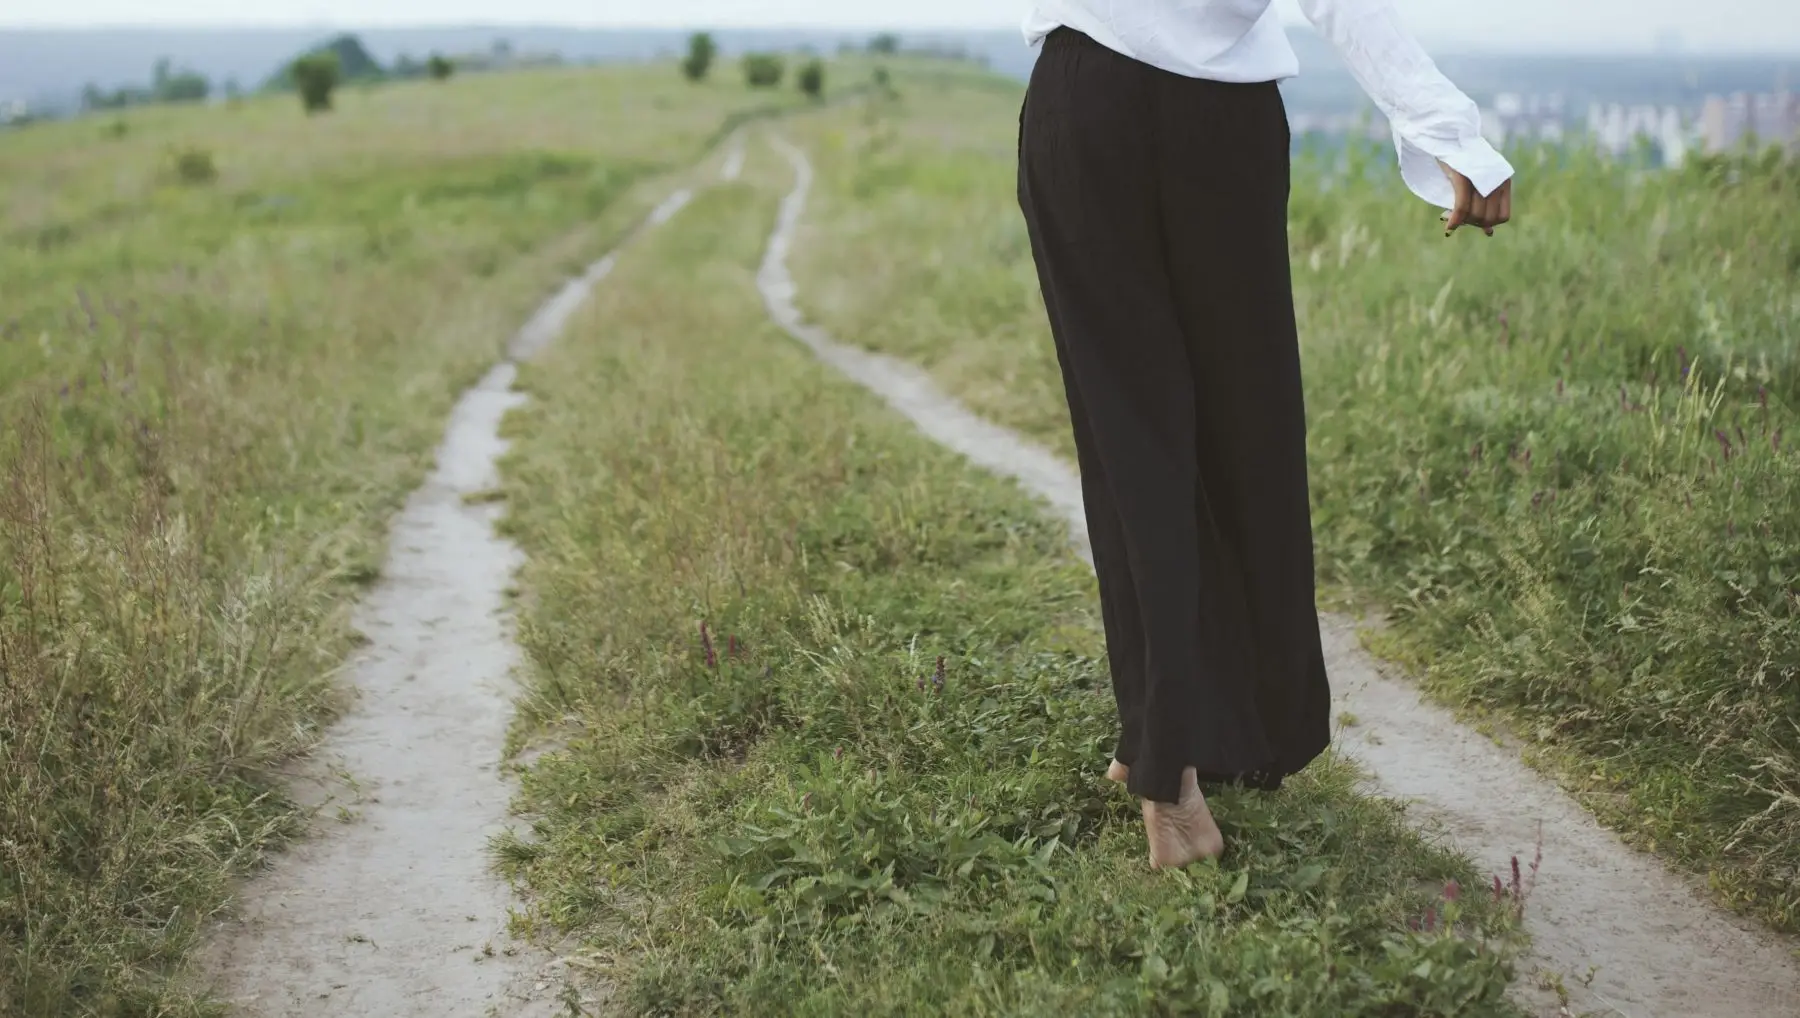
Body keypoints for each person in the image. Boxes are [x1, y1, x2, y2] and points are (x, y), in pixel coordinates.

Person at [1015, 0, 1515, 870]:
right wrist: (1446, 130)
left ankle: (1165, 766)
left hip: (1087, 100)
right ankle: (1172, 746)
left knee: (1133, 442)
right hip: (1219, 126)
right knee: (1244, 435)